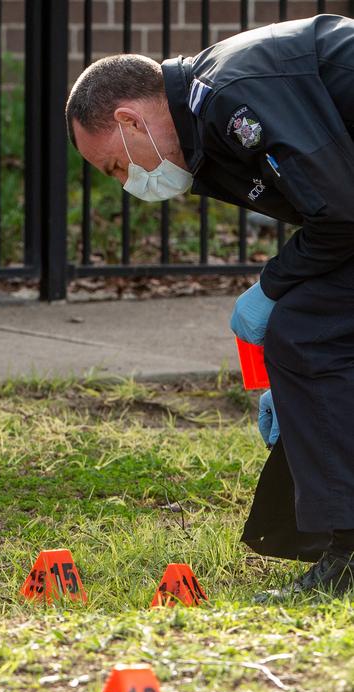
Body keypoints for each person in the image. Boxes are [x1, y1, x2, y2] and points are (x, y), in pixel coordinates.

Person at [65, 14, 354, 600]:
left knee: (306, 332)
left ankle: (348, 556)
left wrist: (272, 293)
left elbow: (341, 212)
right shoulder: (205, 128)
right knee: (309, 335)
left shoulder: (232, 96)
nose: (127, 183)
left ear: (130, 121)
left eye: (117, 166)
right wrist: (298, 389)